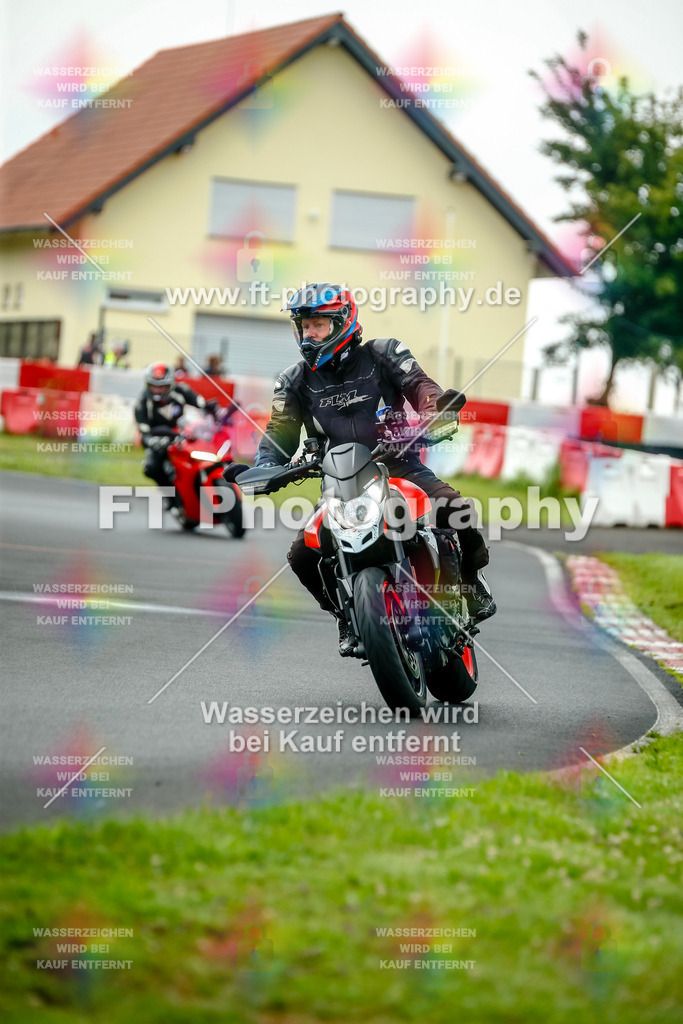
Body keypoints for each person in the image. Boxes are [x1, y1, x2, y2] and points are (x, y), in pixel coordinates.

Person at [249, 283, 495, 656]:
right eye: (303, 326)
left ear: (343, 321)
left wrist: (435, 414)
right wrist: (266, 466)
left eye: (317, 324)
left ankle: (470, 585)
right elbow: (279, 433)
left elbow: (420, 385)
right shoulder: (293, 380)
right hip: (340, 479)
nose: (308, 334)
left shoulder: (384, 353)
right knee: (302, 554)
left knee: (454, 508)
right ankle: (347, 616)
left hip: (398, 464)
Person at [134, 362, 219, 497]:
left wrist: (214, 410)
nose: (157, 390)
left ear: (170, 384)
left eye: (161, 386)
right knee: (151, 468)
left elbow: (201, 403)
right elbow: (144, 431)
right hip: (158, 440)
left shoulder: (181, 391)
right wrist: (151, 441)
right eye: (154, 386)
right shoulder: (141, 403)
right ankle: (169, 494)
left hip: (182, 435)